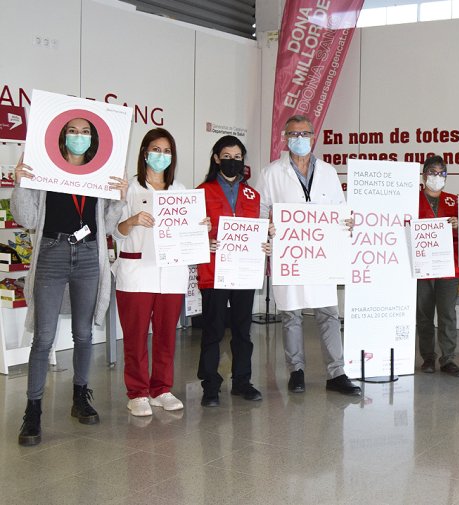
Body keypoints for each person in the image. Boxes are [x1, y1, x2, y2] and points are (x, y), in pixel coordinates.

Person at [13, 117, 128, 446]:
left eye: (85, 131)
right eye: (73, 130)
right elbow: (29, 219)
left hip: (89, 254)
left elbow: (104, 225)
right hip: (52, 251)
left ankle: (80, 396)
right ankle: (32, 410)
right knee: (44, 337)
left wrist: (118, 198)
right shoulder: (46, 167)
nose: (79, 136)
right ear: (62, 135)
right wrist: (21, 183)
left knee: (83, 333)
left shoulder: (100, 171)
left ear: (93, 138)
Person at [252, 114, 360, 396]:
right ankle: (296, 371)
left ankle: (336, 373)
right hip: (291, 253)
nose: (299, 139)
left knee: (328, 313)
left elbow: (340, 208)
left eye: (304, 134)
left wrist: (346, 222)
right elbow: (260, 212)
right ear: (285, 138)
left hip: (322, 255)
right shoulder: (271, 173)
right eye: (293, 135)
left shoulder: (328, 172)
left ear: (314, 137)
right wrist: (268, 229)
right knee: (291, 314)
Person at [113, 128, 190, 417]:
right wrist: (132, 220)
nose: (161, 156)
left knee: (166, 335)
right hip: (136, 273)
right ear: (144, 152)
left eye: (167, 151)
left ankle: (161, 389)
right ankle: (137, 392)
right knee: (135, 336)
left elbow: (187, 231)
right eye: (156, 150)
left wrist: (200, 226)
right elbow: (115, 231)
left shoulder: (180, 191)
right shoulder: (129, 188)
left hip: (171, 274)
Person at [196, 135, 271, 407]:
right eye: (226, 157)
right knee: (213, 330)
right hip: (213, 271)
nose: (232, 162)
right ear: (216, 159)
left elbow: (257, 230)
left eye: (237, 157)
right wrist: (205, 240)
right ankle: (210, 385)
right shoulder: (201, 192)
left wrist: (266, 239)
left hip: (243, 273)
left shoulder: (253, 195)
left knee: (242, 330)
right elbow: (190, 232)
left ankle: (242, 381)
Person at [416, 155, 459, 377]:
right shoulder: (411, 200)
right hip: (422, 266)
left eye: (441, 173)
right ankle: (428, 357)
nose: (437, 177)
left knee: (447, 313)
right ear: (424, 175)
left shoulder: (454, 201)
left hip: (449, 266)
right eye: (432, 172)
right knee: (424, 314)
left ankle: (448, 359)